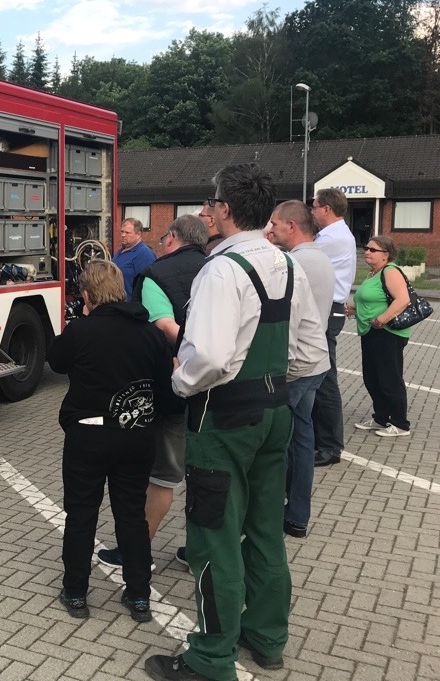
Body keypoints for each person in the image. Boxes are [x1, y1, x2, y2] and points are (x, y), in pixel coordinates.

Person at [144, 164, 327, 681]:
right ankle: (266, 638)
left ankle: (210, 658)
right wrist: (268, 378)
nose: (208, 208)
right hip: (275, 413)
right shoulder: (287, 264)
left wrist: (181, 382)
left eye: (211, 201)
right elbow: (311, 350)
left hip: (224, 421)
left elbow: (210, 359)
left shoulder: (221, 270)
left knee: (213, 538)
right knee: (266, 530)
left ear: (224, 208)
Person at [47, 260, 173, 624]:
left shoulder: (83, 330)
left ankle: (75, 592)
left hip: (88, 435)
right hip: (136, 434)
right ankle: (138, 596)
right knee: (131, 515)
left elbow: (56, 361)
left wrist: (81, 319)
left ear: (87, 295)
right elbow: (166, 389)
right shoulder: (149, 333)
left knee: (81, 513)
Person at [96, 214, 207, 568]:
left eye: (163, 239)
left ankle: (136, 551)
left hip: (176, 387)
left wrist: (192, 357)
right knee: (207, 475)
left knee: (162, 477)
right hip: (219, 391)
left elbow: (161, 325)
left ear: (172, 238)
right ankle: (201, 552)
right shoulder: (220, 269)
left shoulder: (157, 275)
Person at [268, 200, 334, 538]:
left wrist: (282, 366)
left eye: (275, 225)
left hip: (297, 365)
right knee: (302, 440)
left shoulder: (292, 264)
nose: (271, 231)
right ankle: (296, 515)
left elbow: (288, 320)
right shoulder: (320, 256)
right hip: (318, 360)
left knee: (277, 441)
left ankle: (273, 510)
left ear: (292, 226)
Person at [347, 235, 413, 437]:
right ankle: (381, 418)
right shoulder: (372, 274)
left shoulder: (390, 271)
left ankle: (400, 423)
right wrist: (355, 309)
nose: (367, 251)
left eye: (373, 250)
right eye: (367, 248)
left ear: (386, 255)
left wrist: (382, 319)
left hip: (387, 333)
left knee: (389, 378)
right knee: (372, 377)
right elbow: (372, 301)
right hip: (370, 332)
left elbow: (403, 299)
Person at [310, 188, 357, 467]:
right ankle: (322, 440)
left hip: (327, 310)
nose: (312, 212)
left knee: (325, 379)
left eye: (314, 207)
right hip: (328, 309)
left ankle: (329, 445)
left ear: (326, 208)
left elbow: (297, 253)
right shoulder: (336, 234)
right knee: (320, 376)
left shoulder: (331, 238)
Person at [113, 218, 156, 300]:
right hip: (117, 305)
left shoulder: (144, 254)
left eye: (127, 232)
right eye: (122, 231)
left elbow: (147, 285)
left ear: (138, 234)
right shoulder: (121, 251)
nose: (123, 235)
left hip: (130, 307)